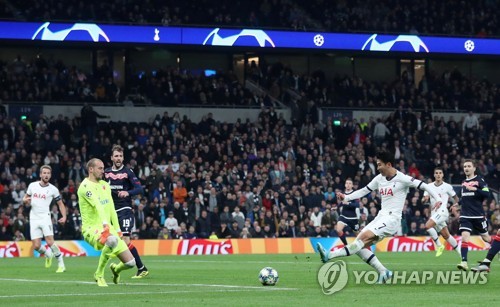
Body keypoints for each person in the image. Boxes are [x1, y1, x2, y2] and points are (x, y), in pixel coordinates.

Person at [316, 151, 443, 283]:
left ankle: (329, 255)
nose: (377, 168)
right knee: (359, 245)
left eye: (379, 165)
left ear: (388, 164)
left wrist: (438, 198)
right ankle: (384, 272)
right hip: (380, 217)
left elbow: (424, 185)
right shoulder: (379, 178)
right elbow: (364, 190)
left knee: (362, 239)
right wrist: (346, 197)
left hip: (392, 219)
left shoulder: (402, 178)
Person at [78, 158, 136, 287]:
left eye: (103, 168)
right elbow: (97, 205)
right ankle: (99, 274)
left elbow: (111, 208)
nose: (103, 171)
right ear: (91, 169)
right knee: (111, 241)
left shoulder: (105, 185)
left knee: (130, 263)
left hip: (108, 228)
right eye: (100, 168)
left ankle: (115, 269)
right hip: (91, 229)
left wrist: (117, 229)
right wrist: (105, 224)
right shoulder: (85, 187)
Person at [104, 145, 149, 278]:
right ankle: (140, 268)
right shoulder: (106, 173)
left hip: (125, 209)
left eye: (120, 156)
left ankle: (141, 268)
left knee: (125, 240)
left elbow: (139, 189)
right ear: (112, 158)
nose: (118, 158)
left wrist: (127, 192)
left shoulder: (128, 172)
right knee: (113, 240)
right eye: (116, 156)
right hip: (110, 211)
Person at [23, 165, 67, 273]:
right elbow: (25, 198)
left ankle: (61, 264)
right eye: (44, 173)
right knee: (37, 246)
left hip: (45, 217)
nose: (46, 175)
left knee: (50, 242)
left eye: (48, 173)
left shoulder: (53, 189)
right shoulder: (32, 186)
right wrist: (25, 201)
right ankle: (47, 254)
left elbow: (60, 204)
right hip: (33, 217)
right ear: (40, 174)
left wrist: (64, 216)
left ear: (50, 175)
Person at [457, 159, 491, 271]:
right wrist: (456, 205)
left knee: (486, 238)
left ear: (474, 168)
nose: (466, 168)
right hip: (465, 215)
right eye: (465, 166)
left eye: (468, 166)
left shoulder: (479, 180)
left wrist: (475, 189)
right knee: (465, 237)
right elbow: (464, 197)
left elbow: (487, 193)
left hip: (478, 216)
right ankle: (464, 262)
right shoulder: (463, 182)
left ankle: (497, 248)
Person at [421, 167, 461, 258]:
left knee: (427, 226)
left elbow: (456, 198)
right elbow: (423, 200)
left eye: (440, 173)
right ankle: (462, 255)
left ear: (442, 175)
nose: (438, 174)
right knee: (446, 235)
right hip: (434, 214)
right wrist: (425, 199)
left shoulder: (447, 186)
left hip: (443, 212)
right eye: (436, 173)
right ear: (434, 175)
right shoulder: (429, 186)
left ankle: (439, 245)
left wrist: (455, 206)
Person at [336, 179, 359, 245]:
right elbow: (341, 203)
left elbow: (357, 205)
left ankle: (365, 247)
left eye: (349, 183)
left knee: (358, 235)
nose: (348, 185)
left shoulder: (355, 194)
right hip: (343, 216)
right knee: (338, 230)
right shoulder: (342, 194)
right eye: (347, 183)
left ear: (352, 185)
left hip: (353, 218)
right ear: (345, 185)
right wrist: (336, 207)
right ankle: (346, 245)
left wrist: (348, 203)